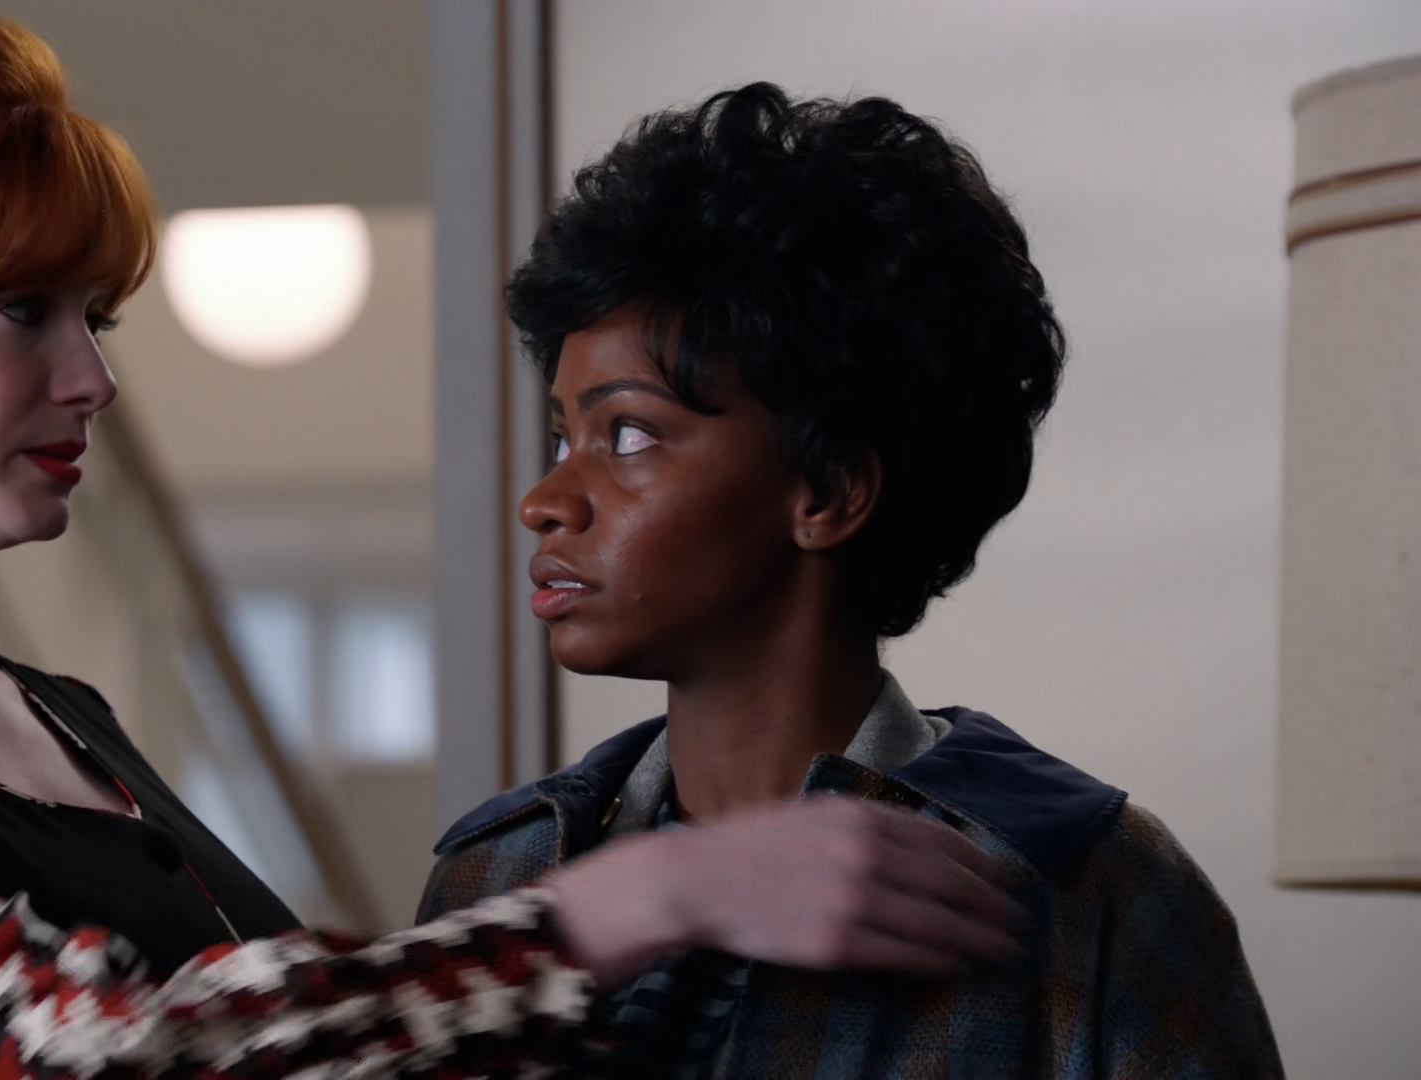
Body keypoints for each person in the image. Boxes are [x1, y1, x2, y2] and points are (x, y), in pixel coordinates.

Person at [0, 5, 1026, 1077]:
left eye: (94, 317)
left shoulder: (55, 717)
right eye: (18, 309)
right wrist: (637, 907)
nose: (91, 377)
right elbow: (86, 1062)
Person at [418, 83, 1285, 1078]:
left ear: (827, 491)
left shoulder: (1087, 887)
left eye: (627, 434)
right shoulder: (501, 872)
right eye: (561, 437)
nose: (543, 501)